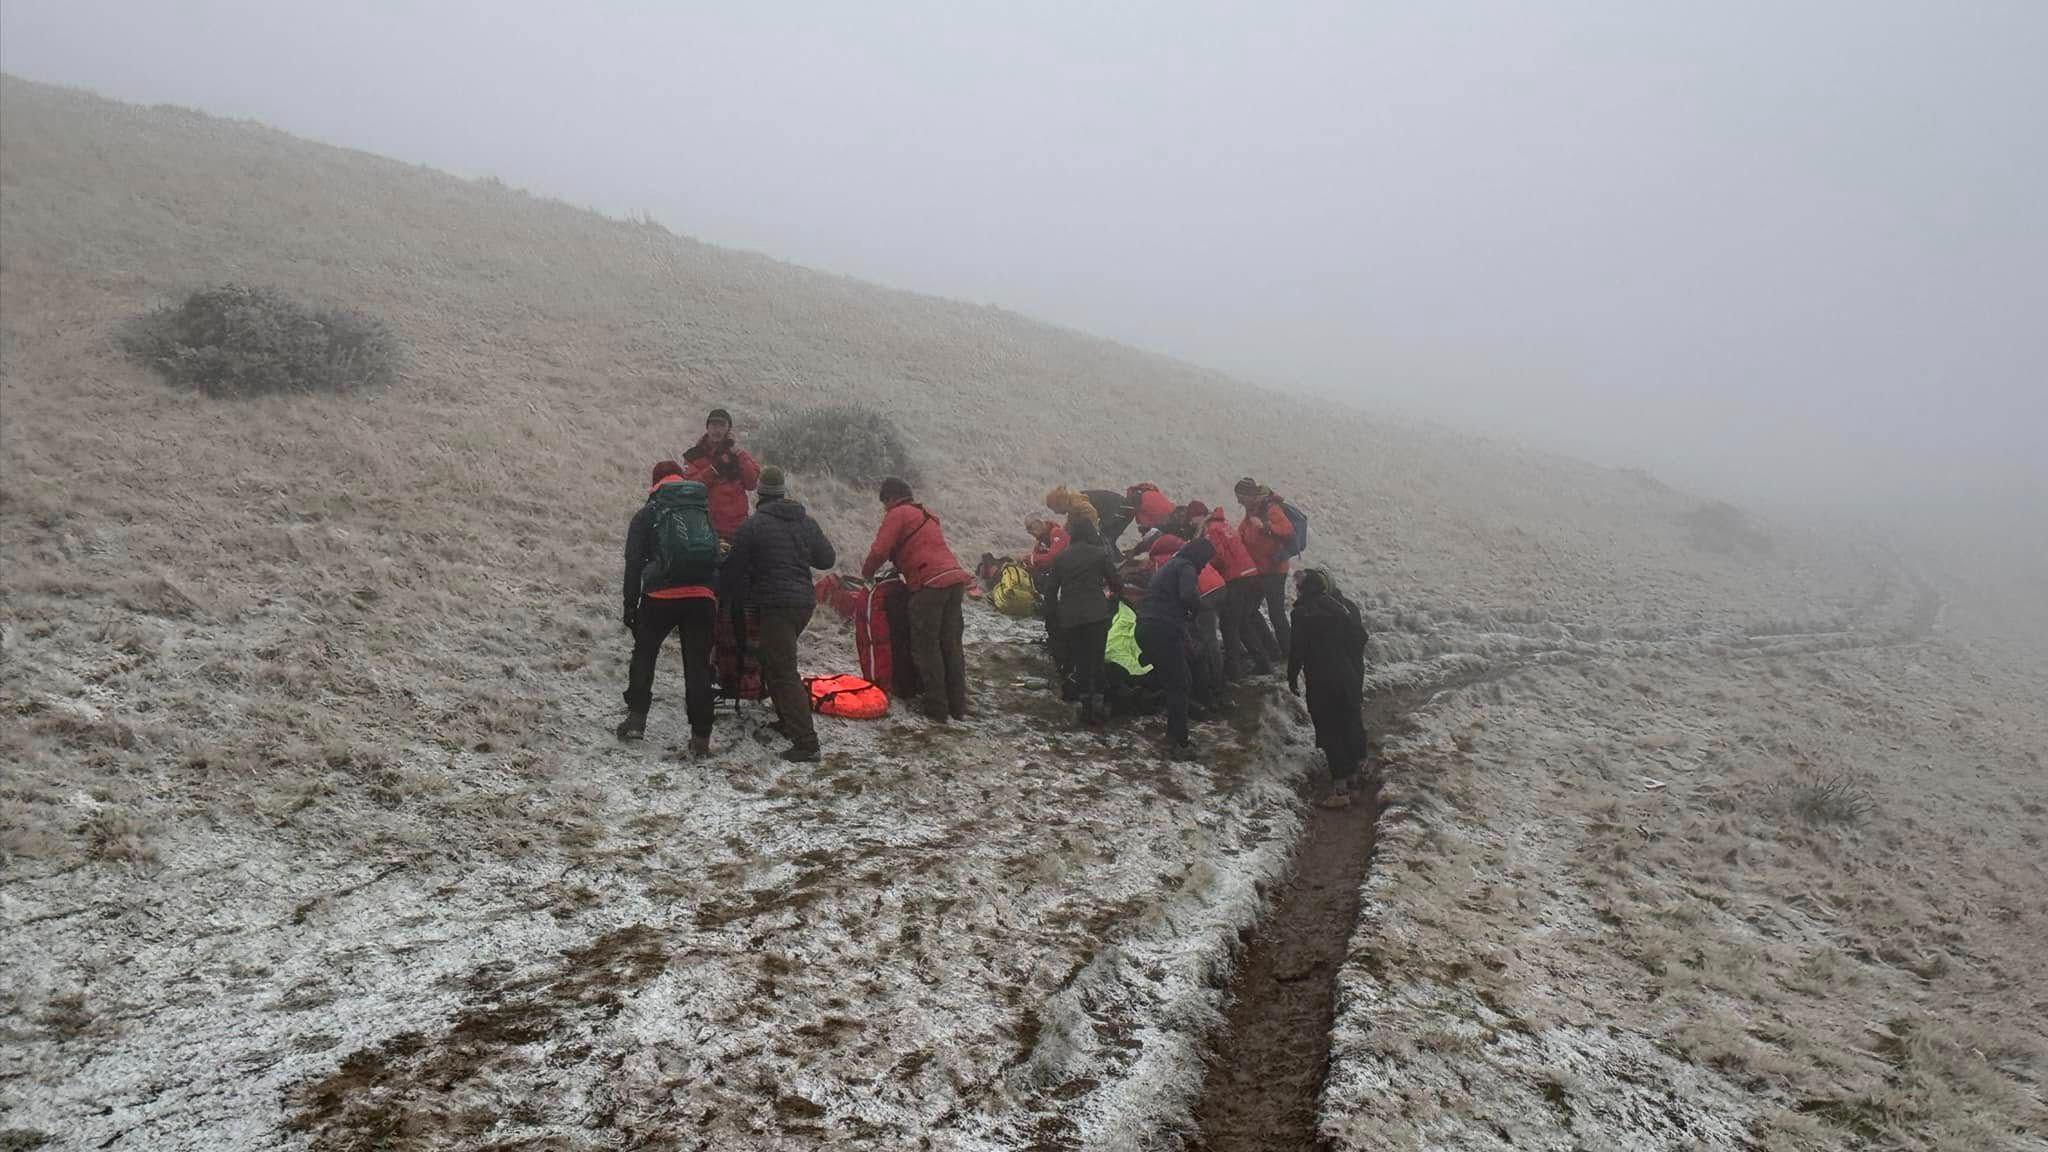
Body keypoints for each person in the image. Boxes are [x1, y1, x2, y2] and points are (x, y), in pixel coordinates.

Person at [722, 466, 836, 761]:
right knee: (774, 662)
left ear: (758, 493)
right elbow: (827, 559)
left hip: (776, 606)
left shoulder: (753, 526)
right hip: (803, 603)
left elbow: (732, 570)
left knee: (783, 671)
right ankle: (787, 722)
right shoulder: (805, 523)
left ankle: (807, 743)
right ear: (783, 492)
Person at [617, 462, 719, 753]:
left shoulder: (648, 514)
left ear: (655, 483)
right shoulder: (700, 511)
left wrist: (630, 605)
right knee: (697, 666)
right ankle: (701, 738)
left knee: (645, 656)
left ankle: (636, 721)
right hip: (701, 597)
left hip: (660, 597)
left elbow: (633, 564)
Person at [862, 478, 974, 722]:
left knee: (927, 646)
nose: (884, 509)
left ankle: (936, 709)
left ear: (891, 498)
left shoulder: (897, 514)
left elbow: (880, 550)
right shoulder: (927, 514)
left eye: (884, 503)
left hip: (929, 585)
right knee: (951, 645)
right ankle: (957, 706)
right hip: (954, 580)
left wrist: (866, 574)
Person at [1289, 569, 1370, 808]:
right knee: (1349, 721)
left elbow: (1297, 649)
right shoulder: (1342, 608)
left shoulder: (1302, 613)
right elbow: (1359, 639)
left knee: (1329, 730)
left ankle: (1340, 788)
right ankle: (1355, 776)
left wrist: (1291, 676)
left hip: (1321, 680)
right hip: (1347, 674)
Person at [1135, 536, 1214, 761]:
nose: (1204, 565)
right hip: (1164, 628)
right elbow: (1187, 594)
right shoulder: (1187, 566)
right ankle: (1177, 742)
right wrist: (1200, 607)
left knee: (1174, 681)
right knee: (1180, 683)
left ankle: (1174, 734)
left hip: (1146, 627)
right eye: (1205, 560)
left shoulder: (1171, 563)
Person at [1044, 517, 1124, 725]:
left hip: (1070, 617)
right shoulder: (1100, 554)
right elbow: (1116, 583)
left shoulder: (1061, 558)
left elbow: (1051, 591)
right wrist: (1113, 597)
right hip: (1096, 615)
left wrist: (1051, 617)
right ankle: (1096, 706)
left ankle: (1082, 703)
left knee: (1079, 659)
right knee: (1096, 659)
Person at [1205, 505, 1274, 680]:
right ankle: (1263, 662)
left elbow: (1218, 556)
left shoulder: (1212, 529)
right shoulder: (1224, 525)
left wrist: (1206, 566)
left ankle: (1233, 669)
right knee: (1242, 622)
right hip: (1249, 575)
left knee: (1229, 624)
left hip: (1234, 579)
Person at [1235, 477, 1298, 660]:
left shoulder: (1270, 508)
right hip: (1259, 570)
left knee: (1276, 613)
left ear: (1249, 495)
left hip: (1274, 570)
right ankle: (1272, 649)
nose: (1239, 501)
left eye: (1240, 497)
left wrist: (1266, 527)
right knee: (1250, 611)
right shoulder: (1252, 510)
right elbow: (1244, 530)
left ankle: (1288, 654)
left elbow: (1287, 530)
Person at [680, 407, 762, 541]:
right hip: (704, 528)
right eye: (713, 425)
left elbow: (752, 483)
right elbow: (691, 488)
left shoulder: (739, 455)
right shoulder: (693, 455)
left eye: (722, 425)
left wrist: (739, 455)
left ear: (728, 429)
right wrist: (714, 469)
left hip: (737, 529)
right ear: (707, 428)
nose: (717, 430)